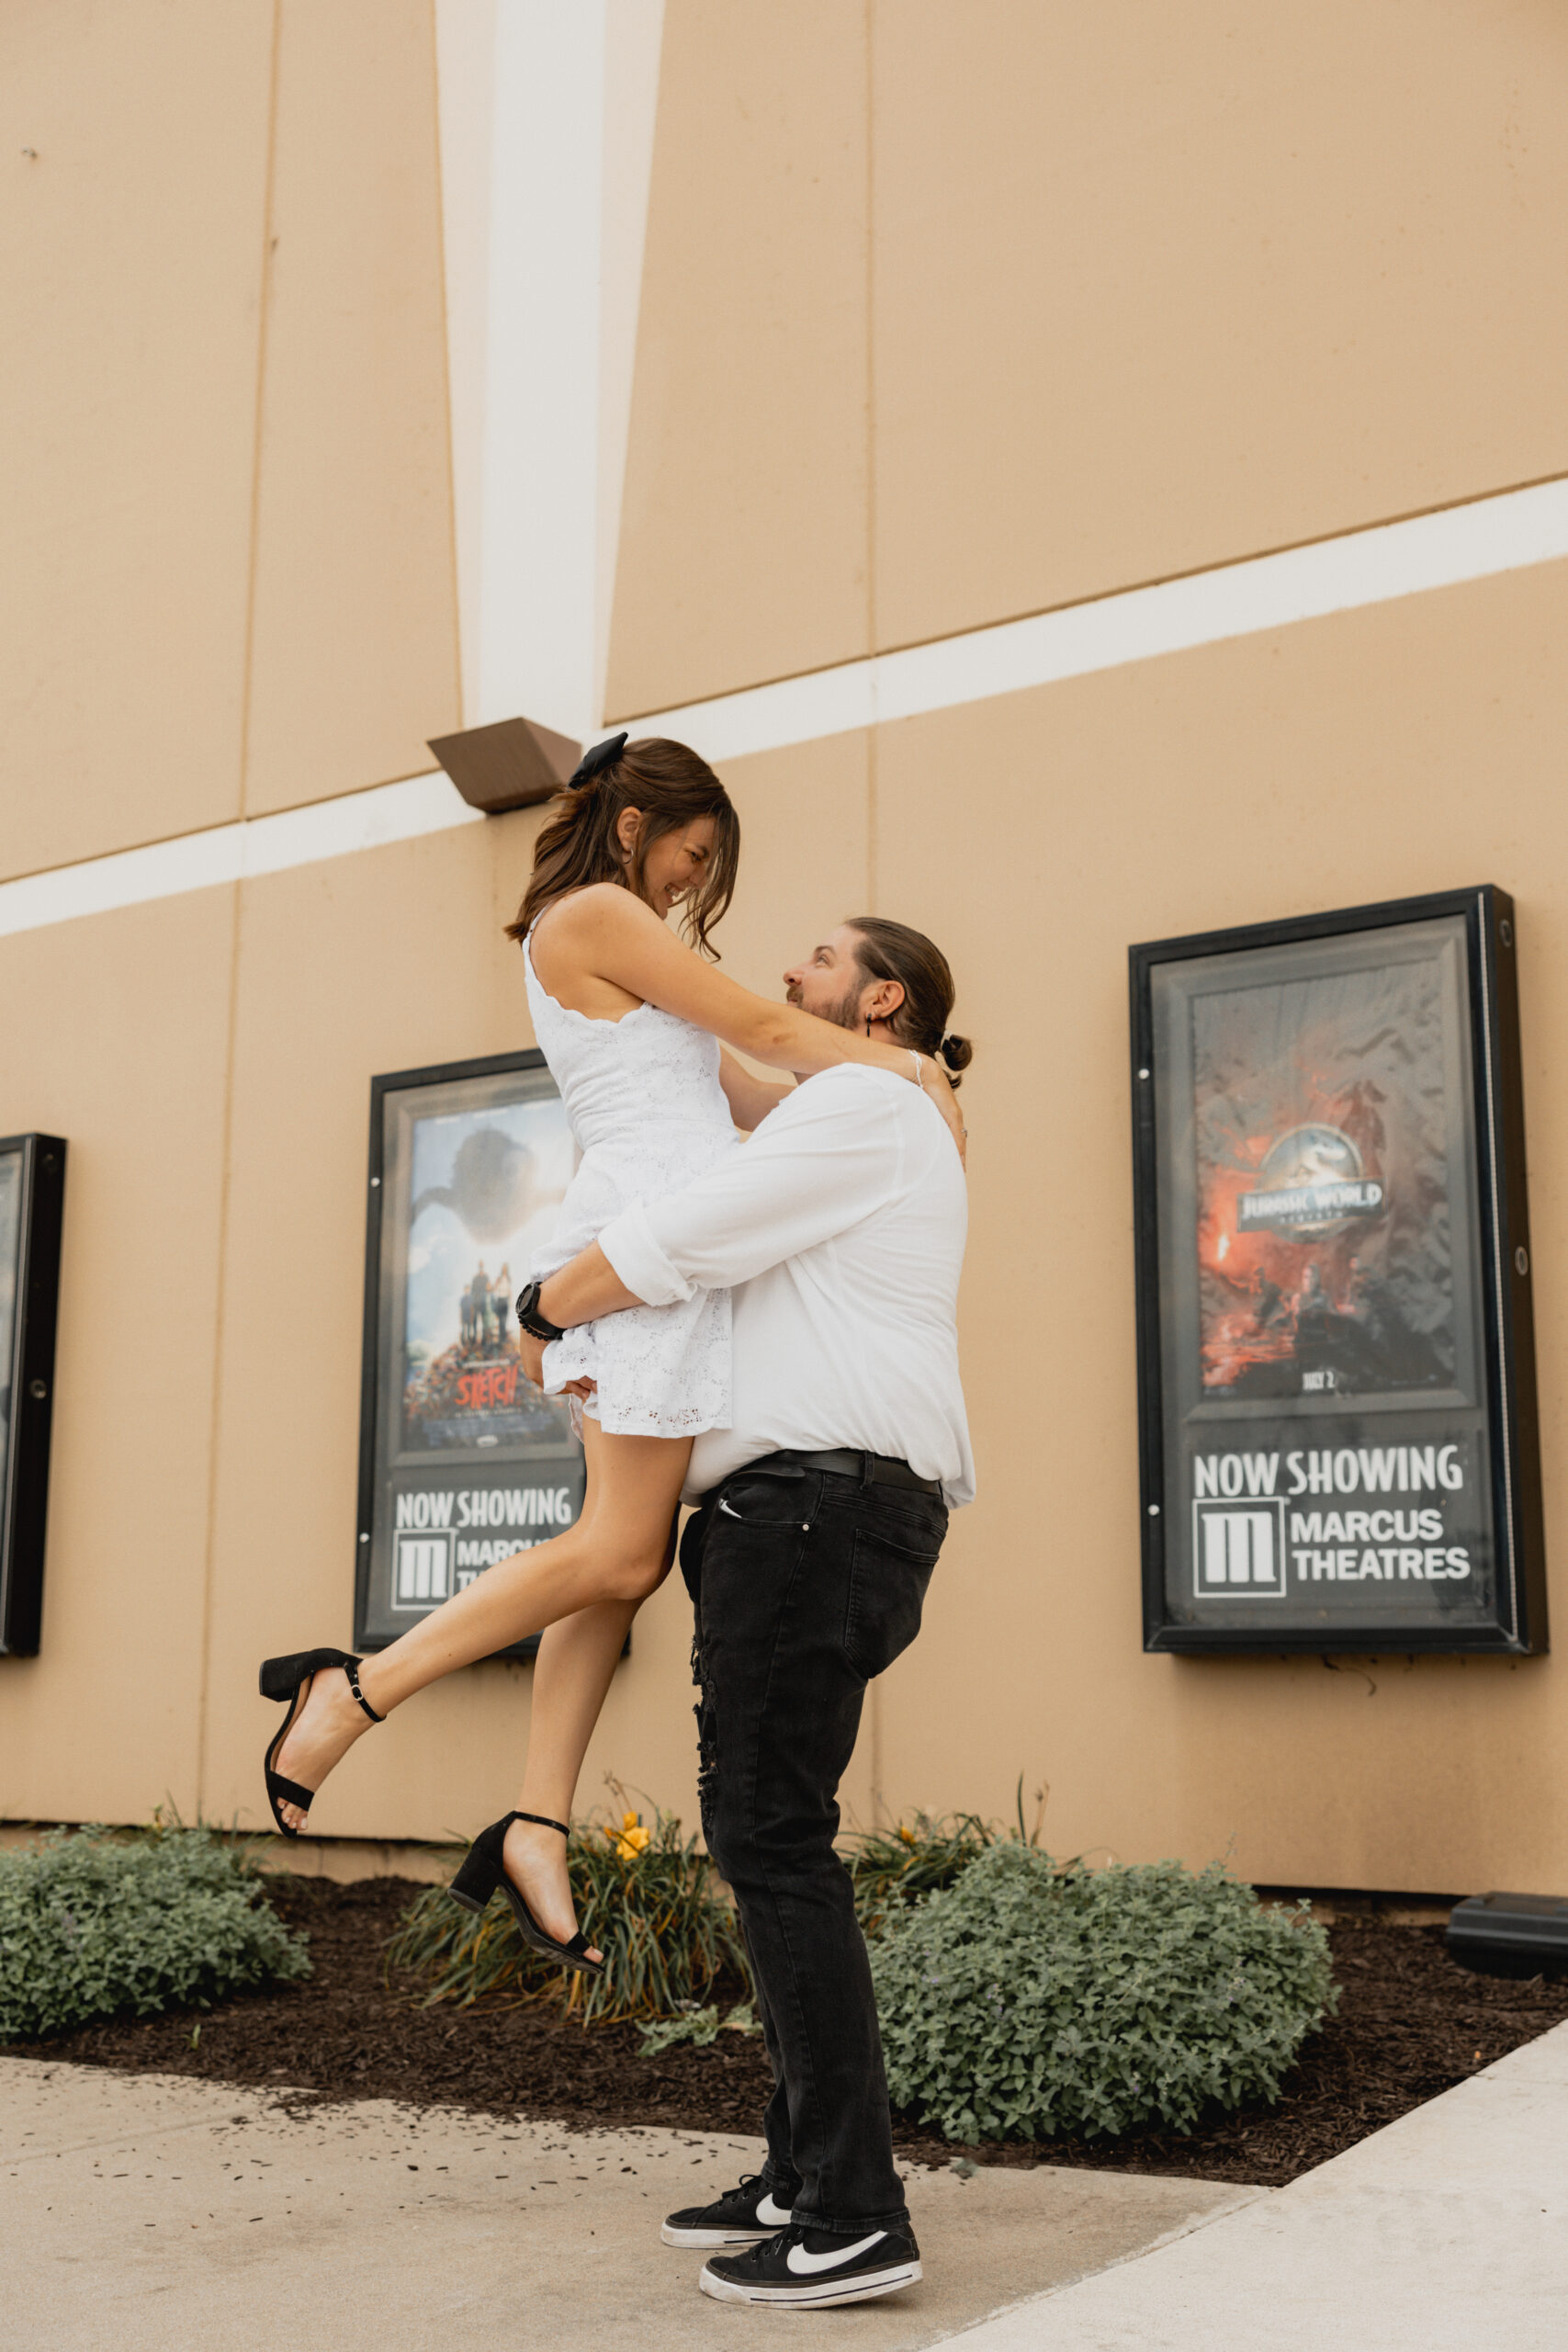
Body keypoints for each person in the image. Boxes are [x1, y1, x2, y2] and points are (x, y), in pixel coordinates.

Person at [259, 735, 964, 1979]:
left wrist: (911, 1104)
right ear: (636, 822)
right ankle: (354, 1689)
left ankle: (535, 1820)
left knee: (619, 1565)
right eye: (695, 856)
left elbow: (753, 1088)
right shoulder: (592, 913)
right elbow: (756, 1021)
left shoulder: (637, 941)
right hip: (642, 1251)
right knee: (622, 1550)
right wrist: (909, 1071)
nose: (697, 886)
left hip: (673, 1259)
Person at [512, 911, 974, 2307]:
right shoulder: (858, 1113)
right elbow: (710, 1088)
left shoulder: (866, 1103)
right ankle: (798, 2170)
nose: (787, 975)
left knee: (775, 1845)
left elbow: (683, 1238)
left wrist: (543, 1302)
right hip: (802, 1516)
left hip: (817, 1513)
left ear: (881, 1000)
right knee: (769, 1838)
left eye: (822, 962)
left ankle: (851, 2212)